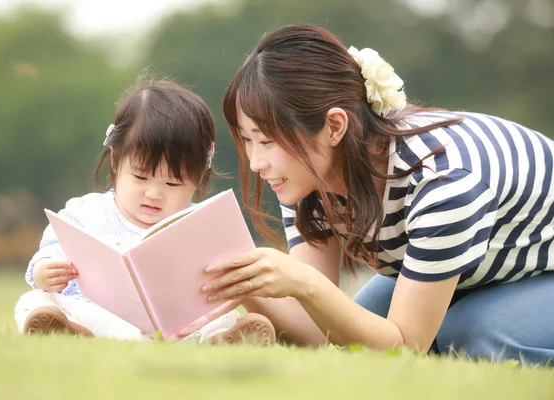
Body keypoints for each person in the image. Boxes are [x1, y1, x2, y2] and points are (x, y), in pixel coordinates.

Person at [200, 24, 554, 365]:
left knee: (472, 336)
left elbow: (403, 347)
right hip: (483, 267)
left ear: (334, 127)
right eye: (247, 140)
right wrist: (241, 283)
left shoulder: (442, 185)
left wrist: (305, 283)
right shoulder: (305, 175)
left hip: (543, 268)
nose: (256, 161)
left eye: (267, 141)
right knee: (356, 331)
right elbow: (317, 332)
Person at [14, 73, 275, 346]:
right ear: (116, 160)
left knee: (224, 315)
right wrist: (44, 270)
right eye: (140, 177)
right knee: (33, 301)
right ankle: (70, 330)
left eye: (173, 183)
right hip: (96, 315)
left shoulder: (200, 224)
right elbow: (54, 247)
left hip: (177, 326)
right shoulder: (87, 211)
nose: (153, 194)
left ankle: (224, 339)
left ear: (199, 178)